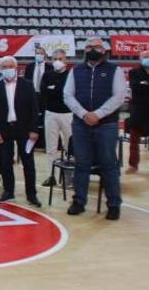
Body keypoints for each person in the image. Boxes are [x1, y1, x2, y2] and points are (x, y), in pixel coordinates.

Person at [63, 36, 124, 220]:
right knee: (81, 164)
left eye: (95, 46)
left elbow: (119, 96)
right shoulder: (76, 70)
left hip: (106, 125)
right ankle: (79, 201)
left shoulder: (115, 70)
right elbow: (67, 95)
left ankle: (114, 204)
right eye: (88, 47)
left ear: (103, 50)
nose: (91, 49)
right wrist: (83, 114)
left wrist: (98, 114)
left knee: (109, 164)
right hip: (81, 125)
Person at [0, 56, 42, 207]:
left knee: (28, 163)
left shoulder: (27, 85)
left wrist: (34, 129)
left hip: (24, 130)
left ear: (16, 68)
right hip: (4, 130)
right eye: (4, 67)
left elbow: (34, 109)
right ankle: (8, 191)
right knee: (6, 162)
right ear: (1, 69)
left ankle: (31, 194)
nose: (7, 69)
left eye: (10, 66)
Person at [40, 49, 73, 186]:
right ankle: (51, 176)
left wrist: (54, 89)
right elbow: (44, 91)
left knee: (70, 147)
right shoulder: (47, 75)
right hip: (51, 113)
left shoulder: (71, 75)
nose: (57, 61)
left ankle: (69, 177)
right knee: (51, 147)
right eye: (54, 59)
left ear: (66, 61)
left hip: (68, 114)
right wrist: (55, 90)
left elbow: (65, 92)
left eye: (60, 58)